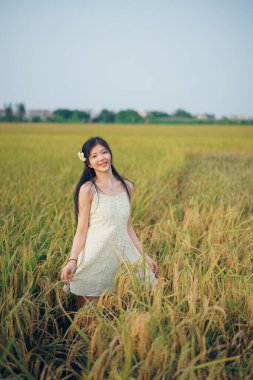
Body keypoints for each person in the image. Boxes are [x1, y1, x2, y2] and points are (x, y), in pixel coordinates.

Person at [61, 136, 158, 309]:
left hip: (123, 259)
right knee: (89, 320)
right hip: (96, 259)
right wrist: (72, 260)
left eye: (104, 152)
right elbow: (81, 230)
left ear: (110, 154)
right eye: (94, 156)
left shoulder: (127, 187)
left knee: (125, 312)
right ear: (89, 163)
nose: (101, 158)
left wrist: (144, 256)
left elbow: (127, 227)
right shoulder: (88, 190)